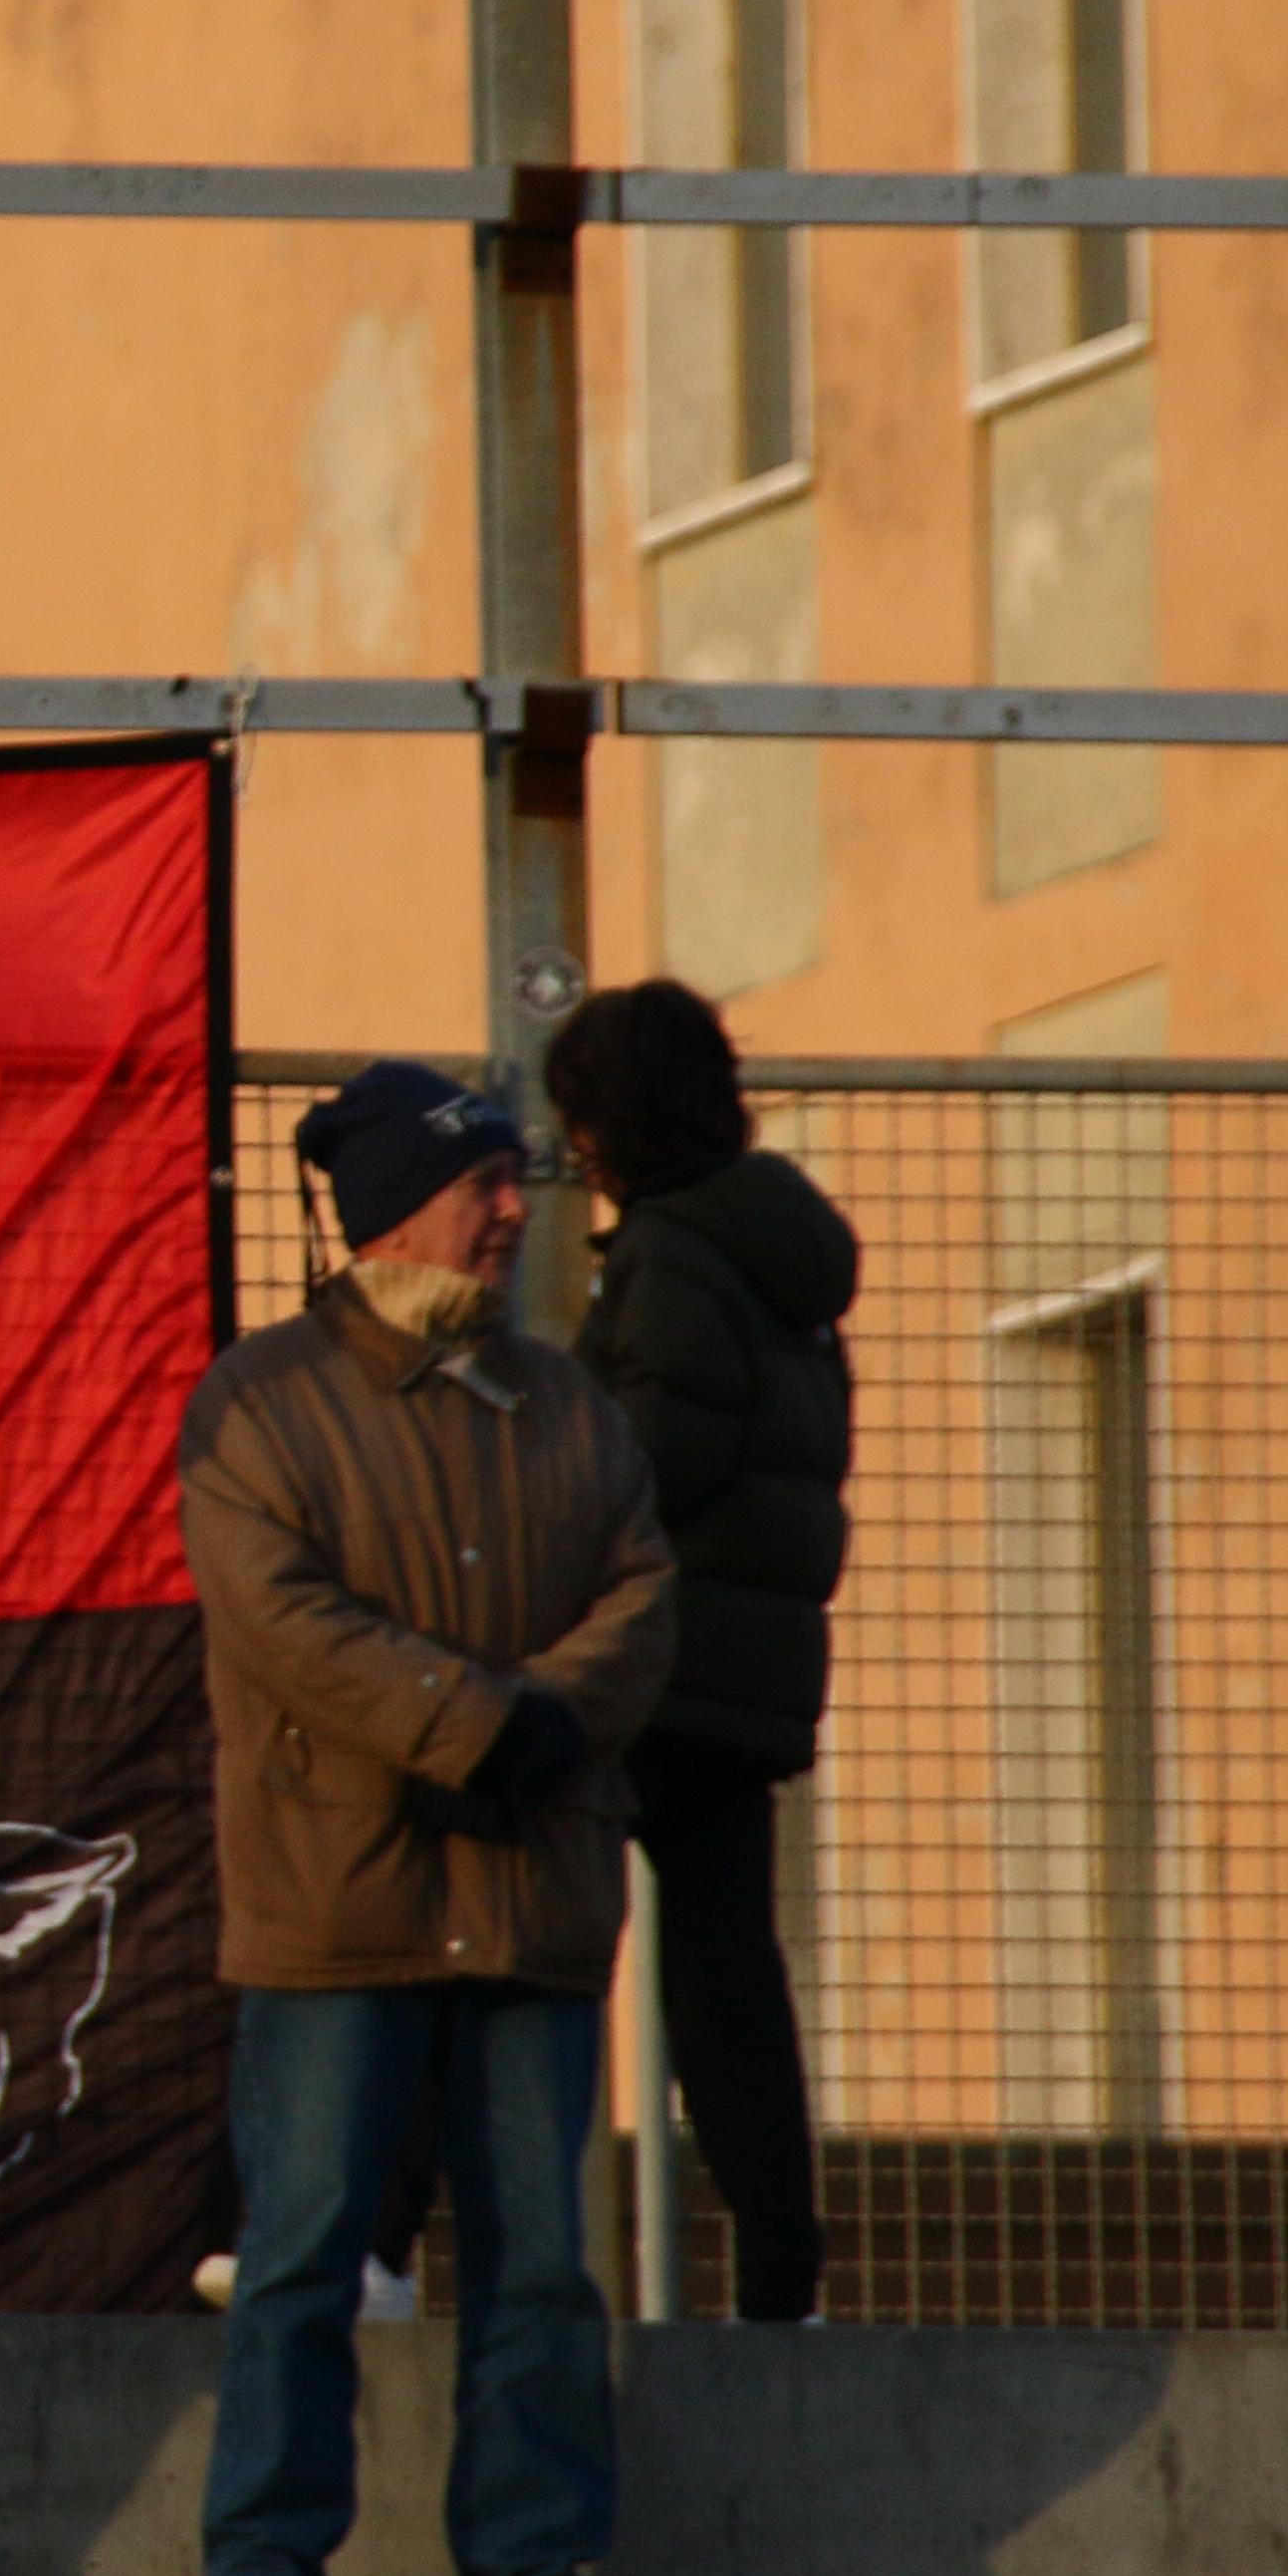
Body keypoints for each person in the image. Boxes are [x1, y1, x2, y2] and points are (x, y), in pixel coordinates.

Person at [180, 1062, 681, 2576]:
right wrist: (486, 1728)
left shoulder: (568, 1403)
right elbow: (278, 1616)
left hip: (530, 1906)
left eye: (519, 1183)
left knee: (540, 2268)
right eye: (486, 1187)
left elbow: (644, 1592)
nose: (518, 1212)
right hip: (341, 1902)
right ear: (396, 1208)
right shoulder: (260, 1401)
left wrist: (547, 1723)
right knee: (302, 2254)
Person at [545, 979, 854, 2323]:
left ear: (617, 1122)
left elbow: (654, 1454)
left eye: (580, 1121)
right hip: (746, 1666)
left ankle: (393, 2234)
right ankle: (782, 2274)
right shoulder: (778, 1252)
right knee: (727, 1970)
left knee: (509, 1921)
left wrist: (540, 1507)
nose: (573, 1154)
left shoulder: (671, 1252)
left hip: (656, 1664)